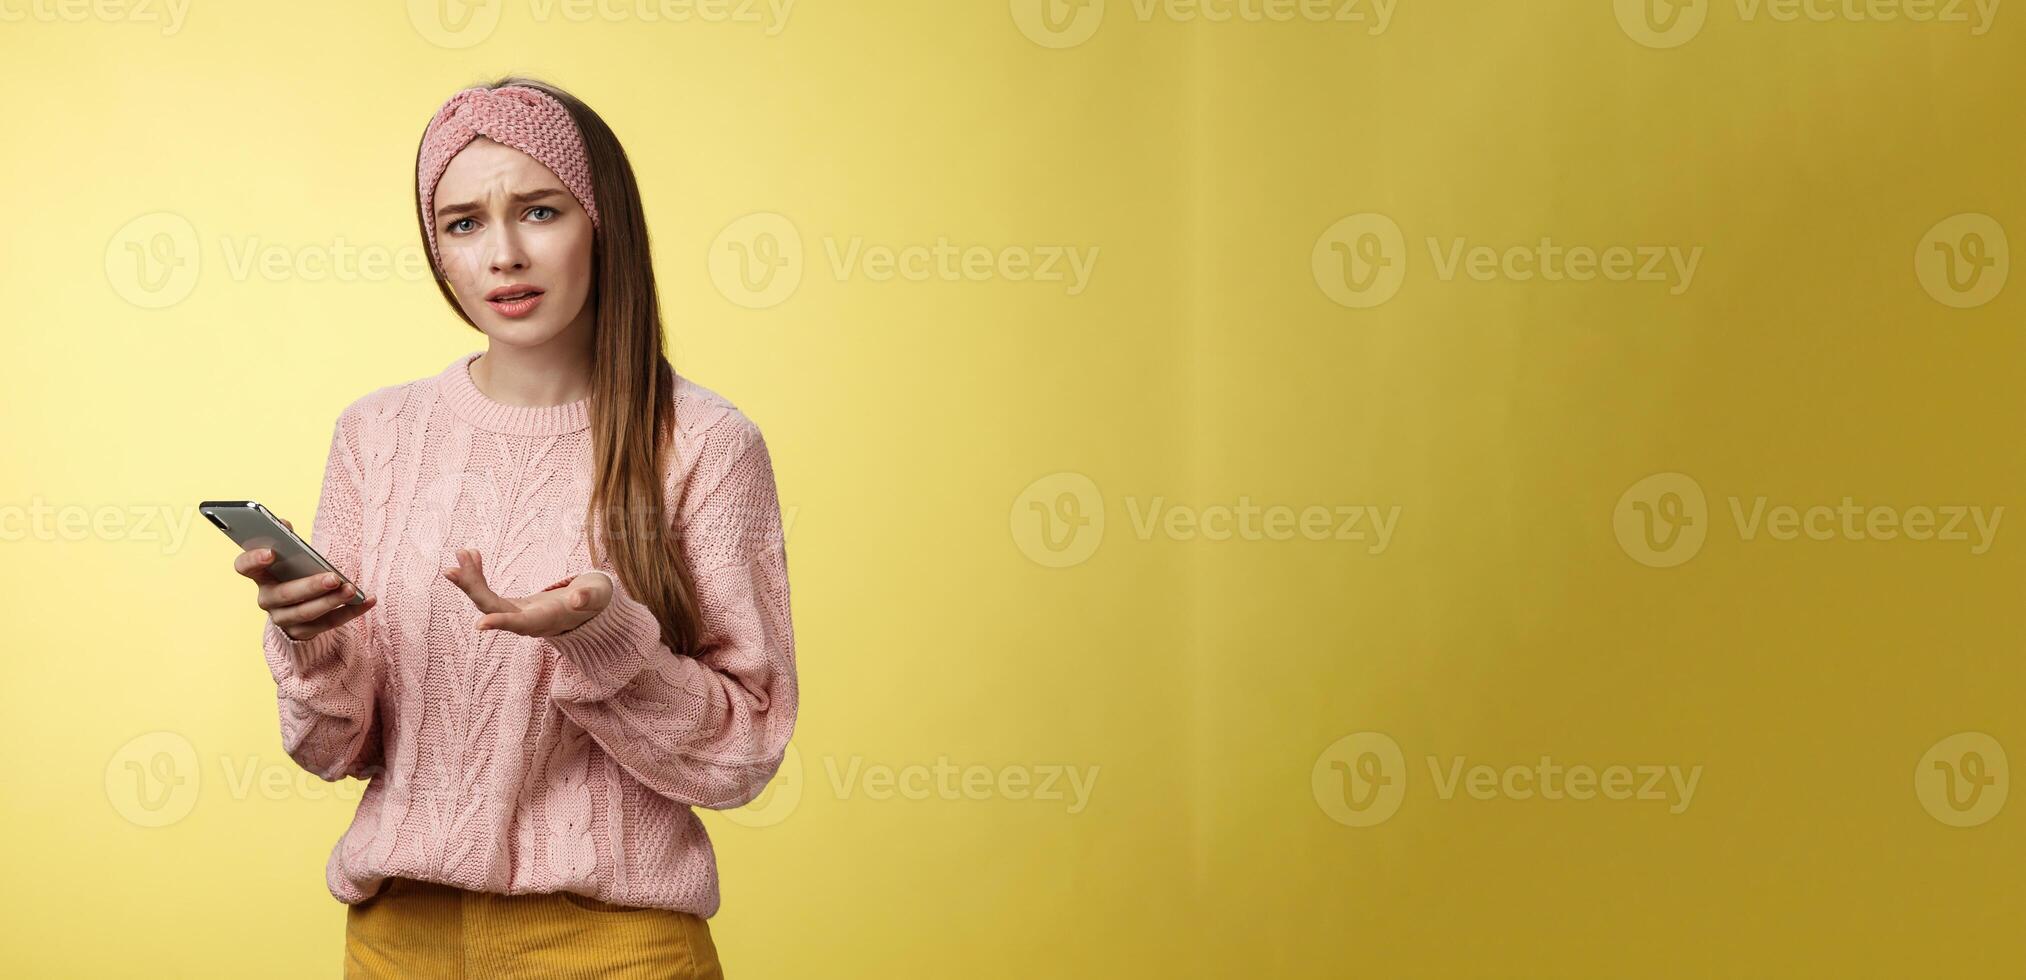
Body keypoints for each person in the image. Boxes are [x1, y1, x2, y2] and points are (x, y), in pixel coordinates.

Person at [233, 76, 796, 979]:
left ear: (600, 222)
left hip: (615, 947)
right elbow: (334, 749)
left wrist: (605, 642)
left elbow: (744, 753)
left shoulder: (706, 445)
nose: (503, 254)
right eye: (463, 223)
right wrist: (312, 645)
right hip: (397, 940)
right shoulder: (376, 436)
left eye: (539, 211)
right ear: (438, 251)